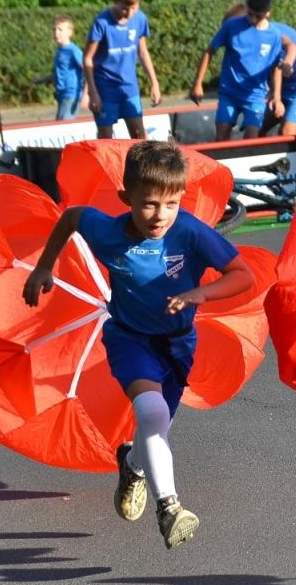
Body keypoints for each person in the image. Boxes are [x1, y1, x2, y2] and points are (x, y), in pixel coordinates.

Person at [21, 140, 255, 549]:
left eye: (171, 204)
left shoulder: (190, 232)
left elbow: (242, 274)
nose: (160, 215)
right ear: (125, 197)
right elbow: (72, 218)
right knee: (151, 411)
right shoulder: (107, 232)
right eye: (149, 204)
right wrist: (44, 266)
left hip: (178, 345)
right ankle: (170, 509)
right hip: (129, 338)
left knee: (156, 428)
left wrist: (200, 294)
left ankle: (132, 464)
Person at [190, 0, 285, 141]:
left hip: (255, 96)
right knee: (221, 138)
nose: (252, 19)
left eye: (258, 16)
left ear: (268, 12)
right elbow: (209, 51)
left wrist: (277, 97)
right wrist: (197, 83)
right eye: (250, 14)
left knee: (252, 139)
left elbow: (276, 67)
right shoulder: (231, 26)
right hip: (229, 93)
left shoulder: (274, 35)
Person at [84, 0, 162, 140]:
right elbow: (88, 59)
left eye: (134, 8)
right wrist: (92, 92)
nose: (130, 13)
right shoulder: (102, 23)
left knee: (140, 137)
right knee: (106, 140)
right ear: (116, 1)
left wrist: (154, 83)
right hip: (105, 89)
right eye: (125, 8)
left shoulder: (140, 19)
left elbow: (143, 52)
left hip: (129, 87)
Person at [51, 16, 87, 121]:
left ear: (70, 32)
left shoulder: (73, 50)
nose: (56, 33)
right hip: (61, 95)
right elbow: (61, 72)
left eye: (60, 30)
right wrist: (41, 79)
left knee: (62, 125)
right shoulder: (59, 51)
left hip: (71, 94)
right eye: (54, 29)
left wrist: (86, 95)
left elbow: (88, 70)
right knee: (59, 124)